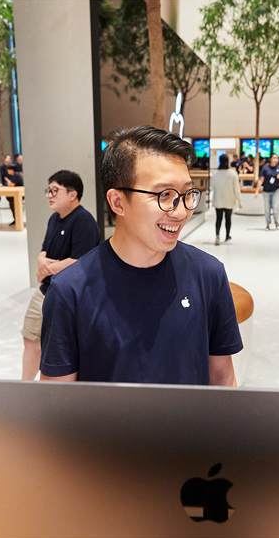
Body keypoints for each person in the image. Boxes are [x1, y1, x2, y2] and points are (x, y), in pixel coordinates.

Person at [39, 125, 241, 385]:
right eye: (164, 195)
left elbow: (223, 377)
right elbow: (58, 404)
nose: (180, 212)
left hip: (191, 427)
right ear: (117, 202)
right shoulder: (70, 291)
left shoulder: (208, 274)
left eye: (186, 194)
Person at [20, 170, 100, 380]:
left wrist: (46, 268)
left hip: (69, 296)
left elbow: (80, 262)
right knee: (30, 338)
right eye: (49, 190)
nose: (50, 195)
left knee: (58, 347)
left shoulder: (84, 222)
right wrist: (42, 263)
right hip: (46, 289)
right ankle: (25, 386)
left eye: (55, 190)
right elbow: (43, 251)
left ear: (73, 195)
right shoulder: (55, 219)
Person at [212, 154, 242, 245]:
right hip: (229, 199)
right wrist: (239, 201)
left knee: (218, 218)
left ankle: (217, 235)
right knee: (228, 218)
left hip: (218, 199)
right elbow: (236, 189)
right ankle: (227, 235)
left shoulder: (215, 173)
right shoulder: (232, 173)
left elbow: (212, 186)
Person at [254, 154, 279, 230]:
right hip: (266, 191)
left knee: (276, 206)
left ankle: (276, 220)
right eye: (274, 158)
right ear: (270, 159)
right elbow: (261, 180)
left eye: (277, 158)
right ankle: (268, 224)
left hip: (276, 190)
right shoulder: (265, 168)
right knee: (267, 208)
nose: (275, 160)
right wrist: (257, 191)